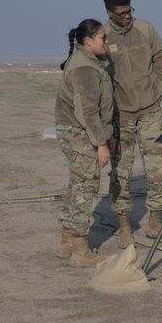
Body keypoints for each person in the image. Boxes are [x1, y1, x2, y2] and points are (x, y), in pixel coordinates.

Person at [102, 0, 162, 247]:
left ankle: (155, 224)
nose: (127, 17)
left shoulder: (145, 29)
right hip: (120, 117)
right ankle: (124, 227)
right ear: (109, 13)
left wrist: (156, 89)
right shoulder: (103, 36)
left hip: (150, 112)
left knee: (157, 170)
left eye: (130, 11)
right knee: (120, 174)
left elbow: (161, 58)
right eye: (121, 14)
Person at [54, 19, 116, 266]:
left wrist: (106, 134)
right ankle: (80, 249)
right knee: (85, 188)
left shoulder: (90, 62)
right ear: (88, 41)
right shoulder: (85, 67)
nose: (106, 41)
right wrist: (100, 143)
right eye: (103, 37)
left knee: (76, 185)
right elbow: (87, 111)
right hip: (80, 133)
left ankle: (67, 243)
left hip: (78, 131)